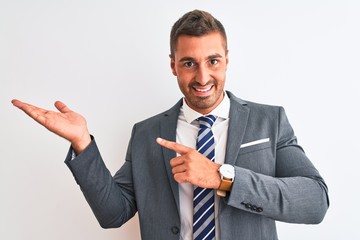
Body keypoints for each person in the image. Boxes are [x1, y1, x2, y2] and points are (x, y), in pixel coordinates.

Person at [12, 9, 329, 240]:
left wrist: (222, 178)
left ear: (227, 60)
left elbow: (314, 202)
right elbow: (114, 214)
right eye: (189, 63)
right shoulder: (146, 133)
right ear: (173, 65)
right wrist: (83, 142)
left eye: (213, 61)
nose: (203, 77)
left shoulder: (269, 121)